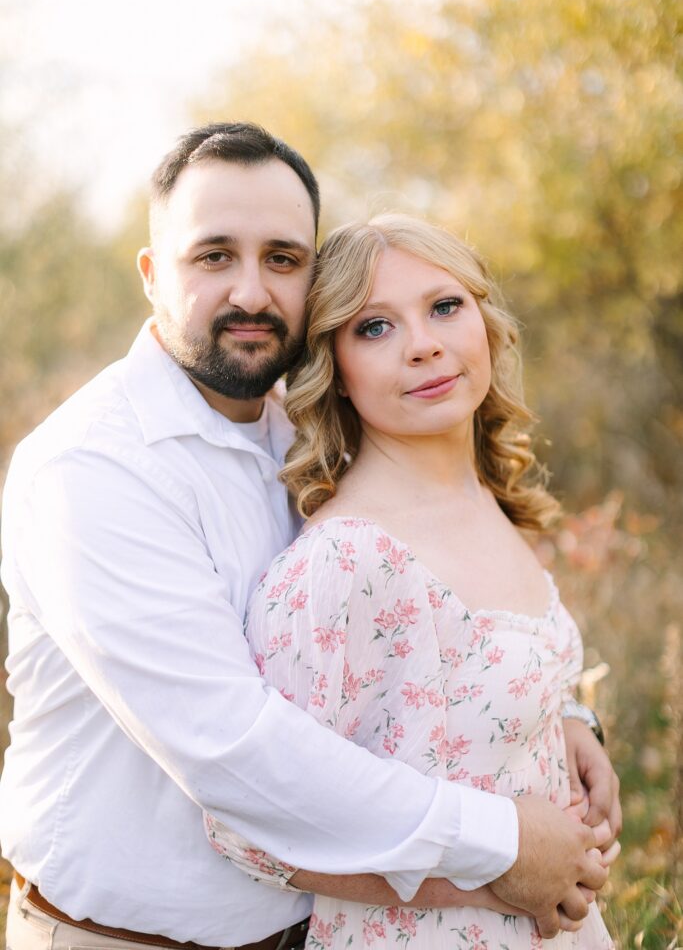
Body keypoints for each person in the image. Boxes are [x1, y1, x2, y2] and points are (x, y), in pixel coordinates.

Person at [0, 124, 619, 950]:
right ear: (152, 276)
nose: (252, 292)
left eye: (282, 259)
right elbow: (233, 750)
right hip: (128, 938)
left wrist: (560, 714)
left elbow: (450, 617)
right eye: (213, 256)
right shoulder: (92, 470)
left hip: (329, 925)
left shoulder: (314, 432)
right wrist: (503, 845)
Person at [205, 213, 618, 946]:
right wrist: (495, 881)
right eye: (373, 328)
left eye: (443, 307)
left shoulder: (489, 499)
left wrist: (569, 725)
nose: (423, 344)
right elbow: (250, 830)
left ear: (484, 322)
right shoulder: (345, 565)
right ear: (335, 370)